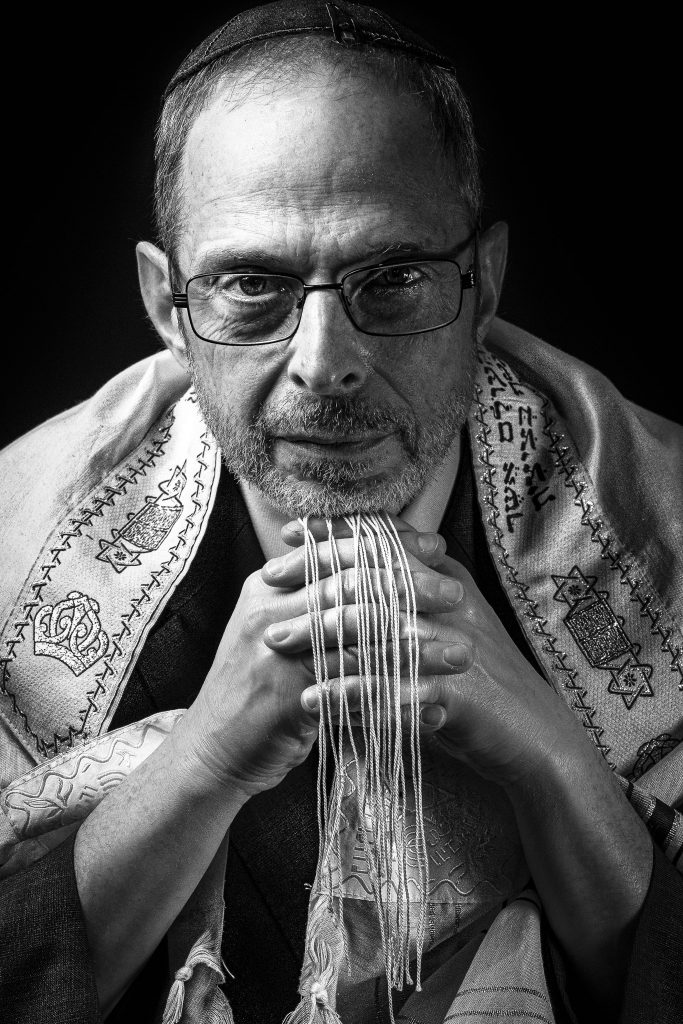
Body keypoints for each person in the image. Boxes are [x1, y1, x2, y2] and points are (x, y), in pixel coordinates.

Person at [0, 3, 681, 1023]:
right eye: (250, 284)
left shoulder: (659, 520)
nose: (325, 362)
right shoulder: (14, 542)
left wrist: (554, 766)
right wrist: (199, 766)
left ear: (484, 281)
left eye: (393, 277)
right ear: (166, 304)